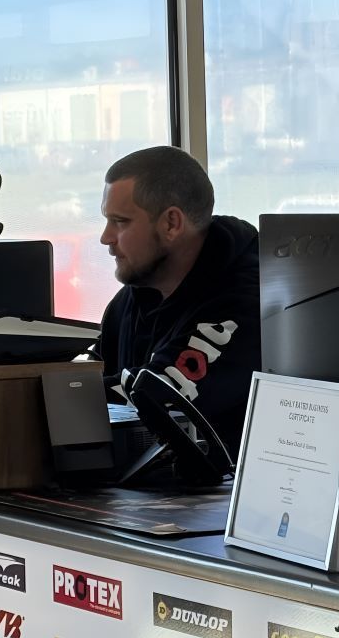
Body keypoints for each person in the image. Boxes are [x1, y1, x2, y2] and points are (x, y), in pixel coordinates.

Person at [98, 146, 260, 454]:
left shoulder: (244, 303)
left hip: (220, 494)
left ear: (171, 223)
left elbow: (160, 398)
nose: (105, 237)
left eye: (120, 221)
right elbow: (92, 381)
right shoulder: (130, 300)